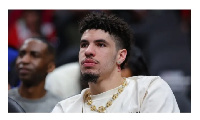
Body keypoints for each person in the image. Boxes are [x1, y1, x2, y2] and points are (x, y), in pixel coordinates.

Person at [52, 12, 180, 113]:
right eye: (84, 44)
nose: (88, 51)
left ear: (121, 56)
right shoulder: (64, 109)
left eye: (101, 44)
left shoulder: (150, 90)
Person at [8, 37, 62, 113]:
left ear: (50, 67)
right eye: (21, 54)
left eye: (35, 55)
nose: (24, 60)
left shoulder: (61, 108)